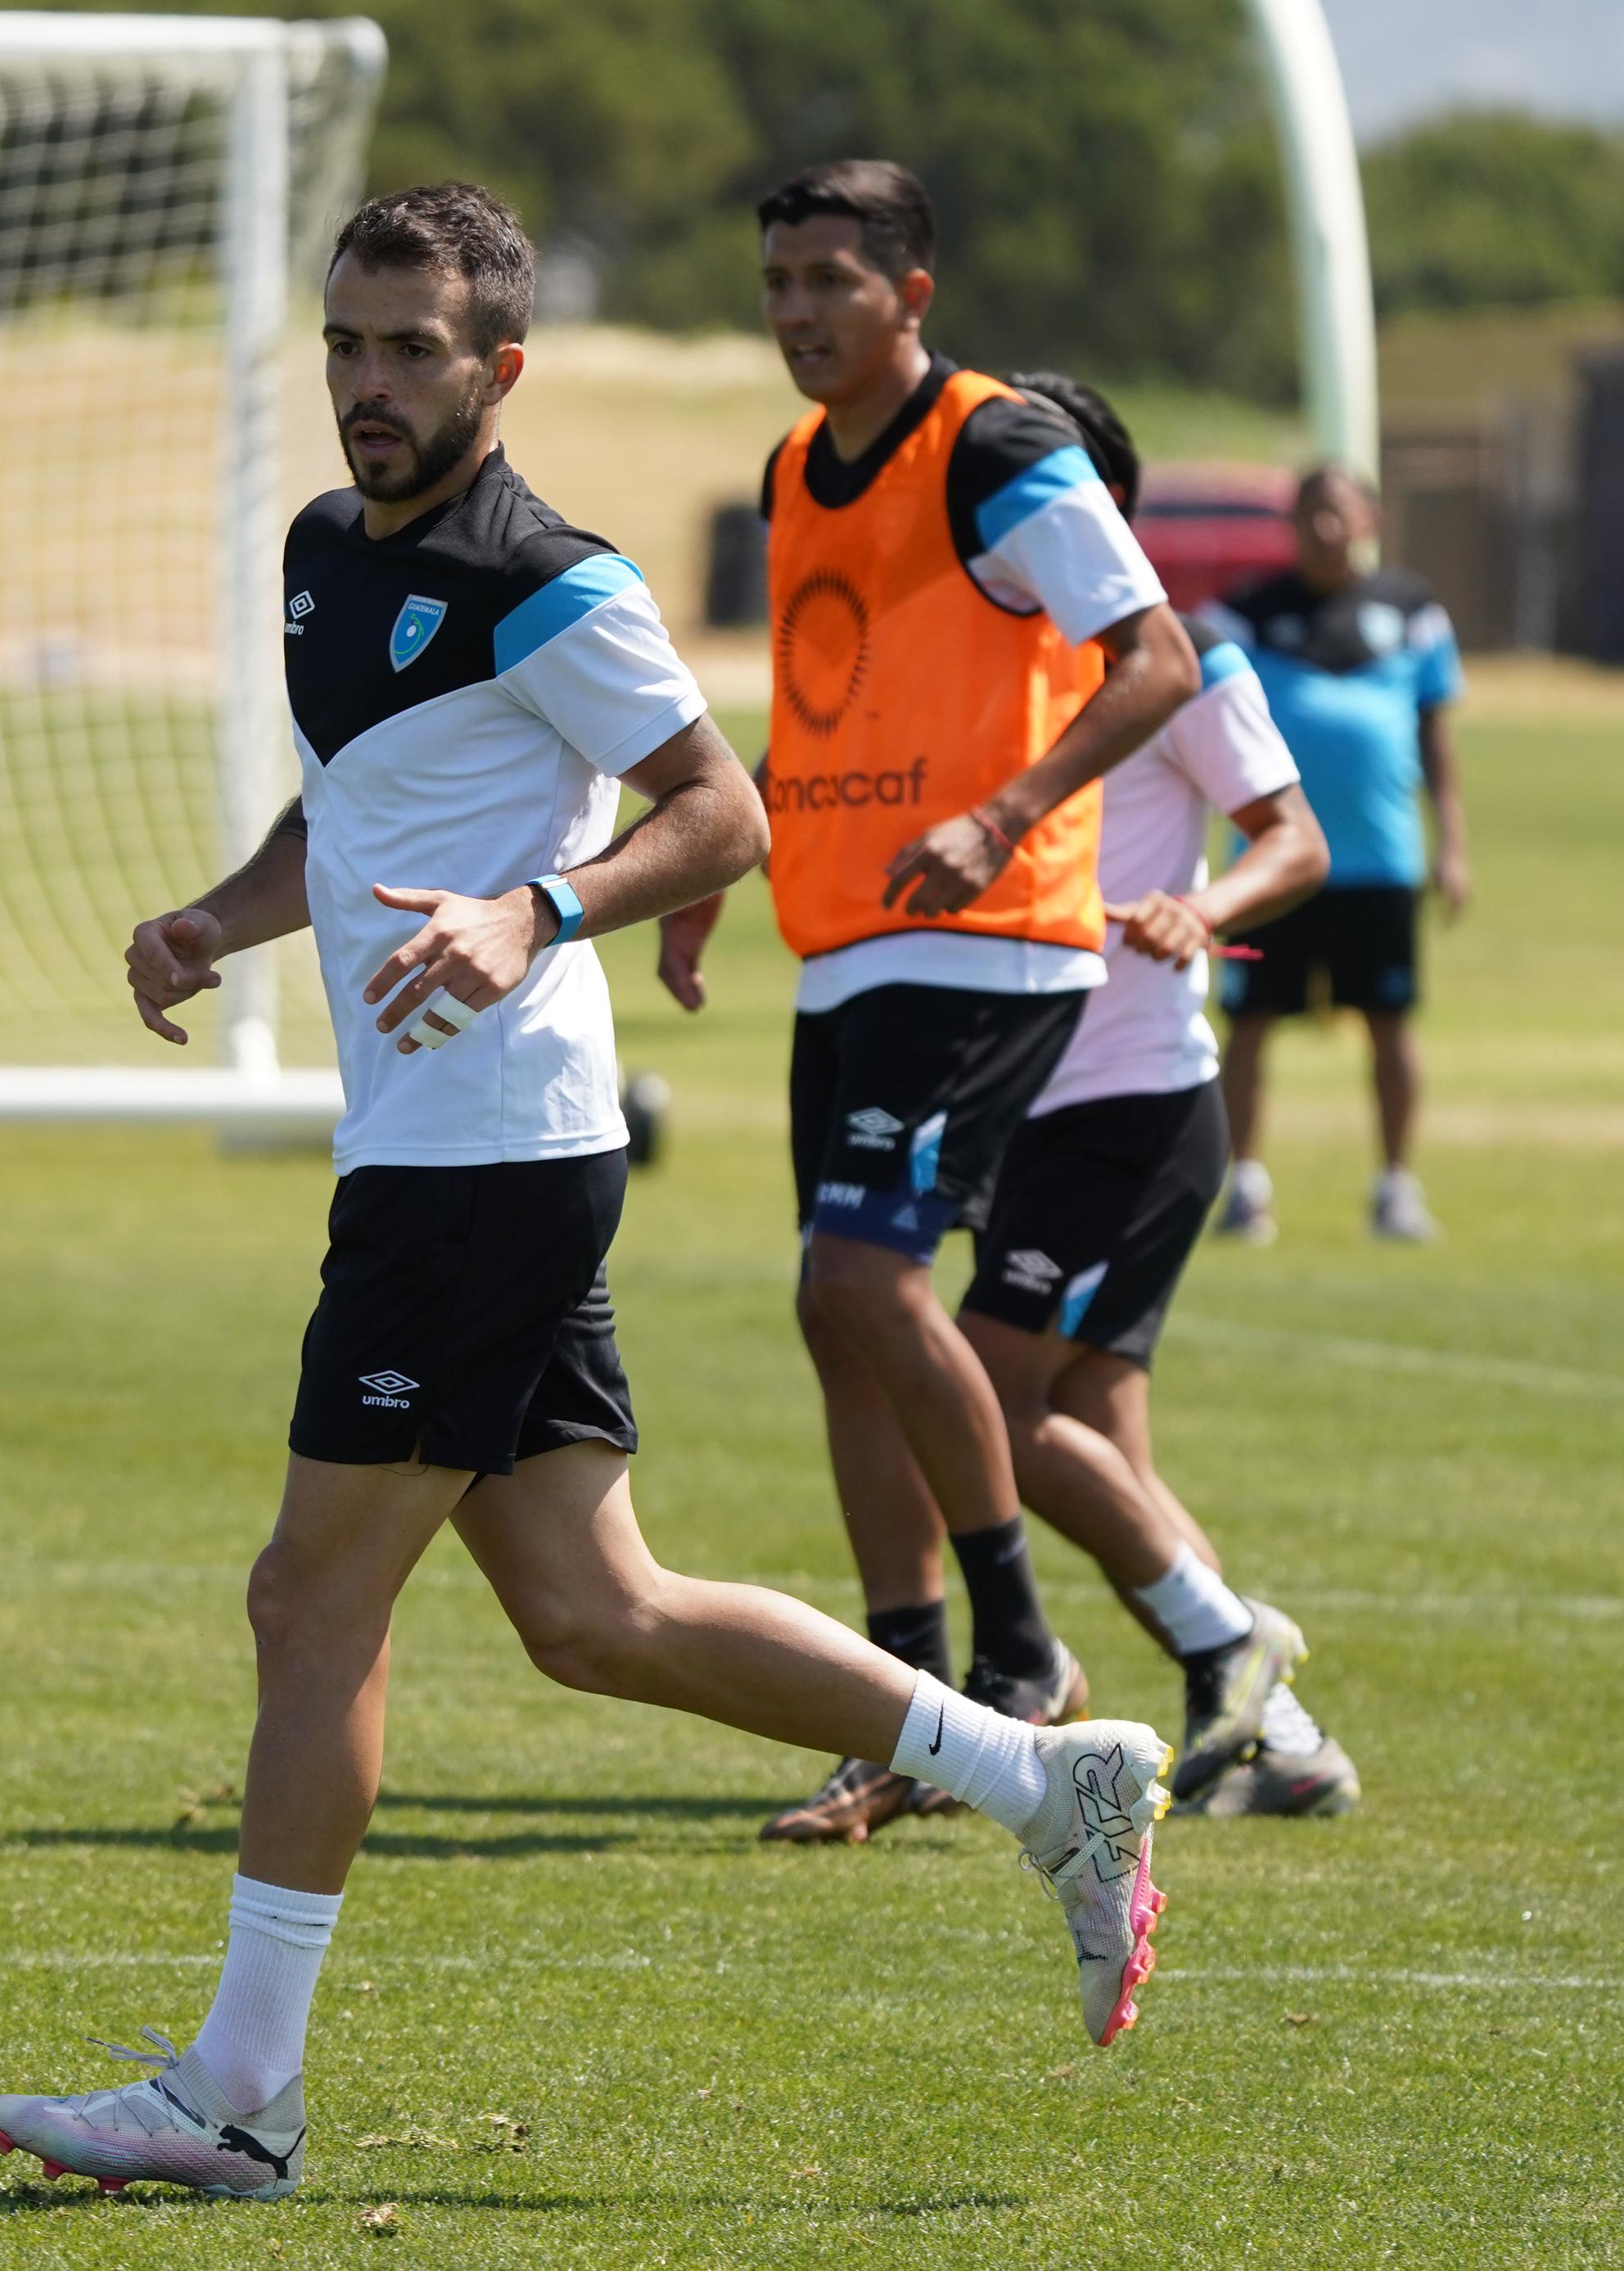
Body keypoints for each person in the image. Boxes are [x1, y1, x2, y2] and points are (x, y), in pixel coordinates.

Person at [0, 183, 1175, 2204]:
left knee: (307, 1597)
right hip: (449, 1157)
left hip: (483, 1160)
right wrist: (219, 919)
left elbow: (717, 809)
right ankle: (1039, 1772)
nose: (366, 385)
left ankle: (238, 2093)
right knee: (594, 1613)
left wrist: (542, 908)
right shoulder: (318, 561)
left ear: (498, 369)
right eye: (345, 344)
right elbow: (351, 806)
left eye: (410, 350)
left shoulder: (554, 579)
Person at [649, 162, 1203, 1844]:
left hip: (993, 933)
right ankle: (915, 1702)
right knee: (834, 1311)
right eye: (777, 280)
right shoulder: (793, 472)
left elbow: (1156, 658)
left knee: (865, 1277)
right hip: (852, 937)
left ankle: (1019, 1660)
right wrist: (713, 863)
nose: (798, 309)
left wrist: (1001, 812)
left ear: (913, 291)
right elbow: (826, 709)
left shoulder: (999, 447)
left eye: (830, 276)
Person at [952, 372, 1357, 1816]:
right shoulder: (994, 664)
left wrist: (1208, 906)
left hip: (1132, 1097)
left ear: (1097, 514)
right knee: (1099, 1421)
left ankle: (1201, 1644)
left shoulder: (1191, 665)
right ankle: (1284, 1734)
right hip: (1022, 1097)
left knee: (987, 1396)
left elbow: (1293, 841)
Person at [1202, 467, 1470, 1245]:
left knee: (1390, 1021)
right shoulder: (1244, 614)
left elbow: (1437, 737)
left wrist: (1451, 844)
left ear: (1369, 521)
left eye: (1340, 514)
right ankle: (1244, 1187)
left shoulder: (1410, 610)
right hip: (1272, 862)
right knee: (1248, 1022)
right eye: (1312, 514)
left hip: (1380, 860)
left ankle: (1395, 1186)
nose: (1326, 529)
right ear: (1291, 523)